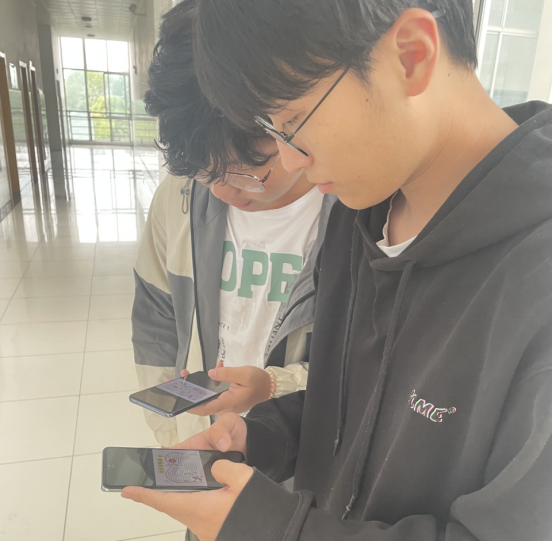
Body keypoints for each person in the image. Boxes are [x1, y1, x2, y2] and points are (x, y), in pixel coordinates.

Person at [124, 1, 552, 540]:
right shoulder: (360, 218)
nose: (290, 159)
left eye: (291, 121)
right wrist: (263, 437)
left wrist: (271, 528)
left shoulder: (534, 278)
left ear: (411, 55)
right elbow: (346, 405)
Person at [132, 0, 336, 448]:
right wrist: (169, 429)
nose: (223, 193)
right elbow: (155, 317)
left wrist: (277, 386)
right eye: (206, 175)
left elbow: (361, 364)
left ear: (284, 125)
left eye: (245, 175)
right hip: (204, 436)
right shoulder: (179, 197)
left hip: (302, 451)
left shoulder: (350, 207)